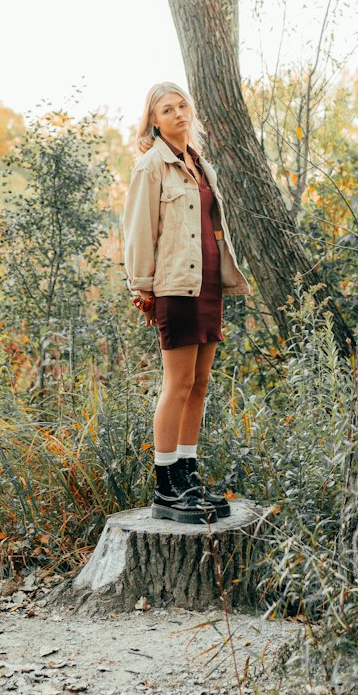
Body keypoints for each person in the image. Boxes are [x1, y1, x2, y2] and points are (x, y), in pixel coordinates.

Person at [122, 81, 251, 523]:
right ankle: (166, 487)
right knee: (176, 384)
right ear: (153, 121)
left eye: (182, 106)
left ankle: (187, 475)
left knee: (199, 383)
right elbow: (139, 230)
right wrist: (142, 287)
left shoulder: (199, 164)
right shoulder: (150, 167)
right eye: (166, 109)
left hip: (208, 284)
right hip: (175, 287)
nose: (177, 113)